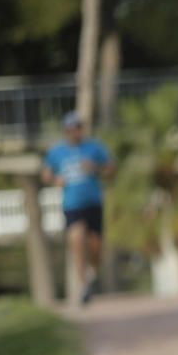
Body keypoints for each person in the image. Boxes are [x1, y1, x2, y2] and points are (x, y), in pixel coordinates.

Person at [41, 111, 114, 305]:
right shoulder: (57, 152)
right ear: (66, 131)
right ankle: (83, 286)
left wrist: (95, 169)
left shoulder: (94, 148)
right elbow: (46, 174)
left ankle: (92, 274)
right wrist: (56, 179)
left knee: (96, 246)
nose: (76, 132)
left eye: (79, 128)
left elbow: (109, 169)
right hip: (72, 204)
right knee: (76, 239)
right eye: (72, 129)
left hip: (93, 202)